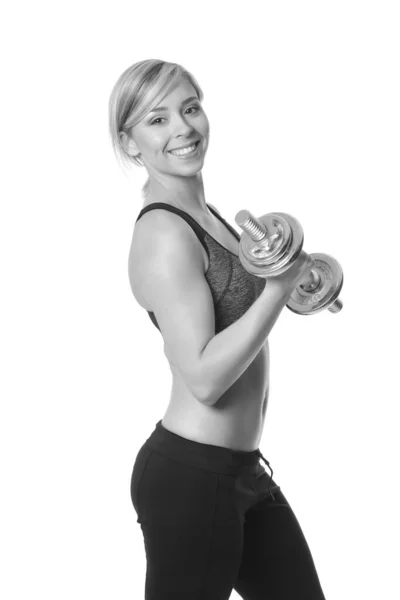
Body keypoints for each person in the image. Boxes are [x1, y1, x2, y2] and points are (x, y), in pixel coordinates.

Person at [108, 59, 326, 600]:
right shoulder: (163, 233)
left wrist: (291, 282)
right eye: (156, 120)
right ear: (131, 143)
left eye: (189, 108)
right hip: (192, 480)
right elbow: (206, 377)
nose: (182, 128)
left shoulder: (210, 217)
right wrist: (277, 288)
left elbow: (244, 317)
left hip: (241, 473)